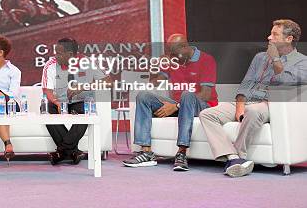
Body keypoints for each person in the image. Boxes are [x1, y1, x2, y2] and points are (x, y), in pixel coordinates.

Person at [199, 19, 307, 177]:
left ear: (288, 39)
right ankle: (233, 158)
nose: (269, 37)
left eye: (274, 34)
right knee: (207, 114)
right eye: (270, 33)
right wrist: (240, 104)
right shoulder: (260, 57)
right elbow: (246, 82)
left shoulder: (302, 62)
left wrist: (276, 59)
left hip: (271, 104)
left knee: (254, 111)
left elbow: (283, 80)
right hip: (248, 101)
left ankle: (240, 155)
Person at [123, 34, 218, 171]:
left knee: (187, 95)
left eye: (174, 53)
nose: (171, 56)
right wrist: (156, 65)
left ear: (184, 47)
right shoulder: (173, 61)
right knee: (143, 96)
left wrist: (175, 106)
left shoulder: (206, 60)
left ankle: (181, 153)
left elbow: (205, 94)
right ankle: (146, 152)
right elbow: (155, 82)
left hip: (203, 107)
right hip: (179, 104)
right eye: (170, 53)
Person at [42, 38, 106, 165]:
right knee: (46, 109)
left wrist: (83, 87)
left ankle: (62, 150)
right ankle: (73, 151)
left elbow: (107, 81)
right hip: (59, 102)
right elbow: (47, 90)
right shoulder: (51, 64)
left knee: (86, 113)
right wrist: (56, 103)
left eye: (59, 53)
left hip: (80, 101)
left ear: (70, 55)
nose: (55, 56)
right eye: (55, 52)